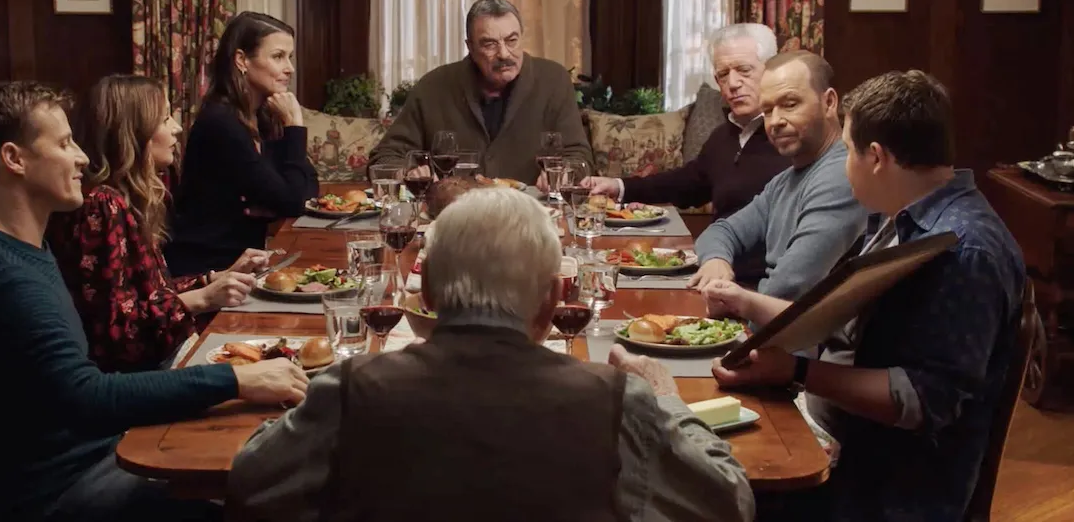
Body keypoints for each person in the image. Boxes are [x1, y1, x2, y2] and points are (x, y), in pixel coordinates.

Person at [227, 187, 754, 522]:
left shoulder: (349, 388)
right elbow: (730, 502)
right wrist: (667, 399)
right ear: (553, 298)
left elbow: (250, 483)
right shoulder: (619, 400)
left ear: (426, 291)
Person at [0, 81, 310, 522]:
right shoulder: (3, 278)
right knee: (268, 492)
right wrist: (236, 380)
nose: (82, 157)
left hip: (83, 460)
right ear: (14, 159)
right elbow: (88, 396)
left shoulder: (3, 248)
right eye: (65, 143)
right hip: (50, 494)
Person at [707, 71, 1025, 521]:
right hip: (847, 445)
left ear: (876, 156)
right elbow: (840, 319)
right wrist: (746, 302)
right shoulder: (900, 218)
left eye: (848, 151)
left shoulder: (964, 249)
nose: (843, 164)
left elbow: (922, 398)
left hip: (889, 491)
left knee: (710, 487)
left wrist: (796, 370)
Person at [48, 75, 272, 373]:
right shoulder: (101, 205)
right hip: (148, 373)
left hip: (167, 353)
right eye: (165, 119)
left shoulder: (122, 196)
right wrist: (202, 298)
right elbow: (115, 334)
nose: (177, 128)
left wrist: (214, 278)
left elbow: (149, 294)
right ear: (133, 132)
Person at [583, 23, 790, 284]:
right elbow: (686, 183)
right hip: (716, 271)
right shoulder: (725, 137)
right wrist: (619, 186)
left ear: (772, 70)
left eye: (744, 70)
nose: (733, 84)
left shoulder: (788, 139)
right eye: (723, 75)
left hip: (758, 285)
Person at [690, 50, 867, 301]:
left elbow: (789, 287)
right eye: (768, 110)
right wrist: (715, 260)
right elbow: (723, 230)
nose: (775, 121)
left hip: (793, 335)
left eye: (790, 104)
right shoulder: (785, 181)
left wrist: (734, 312)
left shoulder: (843, 175)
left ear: (829, 102)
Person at [368, 0, 594, 185]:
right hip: (454, 217)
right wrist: (408, 173)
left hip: (533, 215)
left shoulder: (553, 80)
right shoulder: (433, 87)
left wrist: (566, 173)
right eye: (490, 44)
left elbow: (579, 156)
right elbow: (384, 158)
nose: (504, 53)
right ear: (470, 47)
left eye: (512, 40)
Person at [165, 11, 319, 276]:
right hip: (208, 270)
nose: (290, 68)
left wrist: (274, 203)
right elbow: (293, 200)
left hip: (245, 263)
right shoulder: (221, 123)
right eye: (278, 56)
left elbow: (309, 189)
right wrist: (295, 126)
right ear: (241, 60)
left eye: (289, 57)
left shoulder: (263, 114)